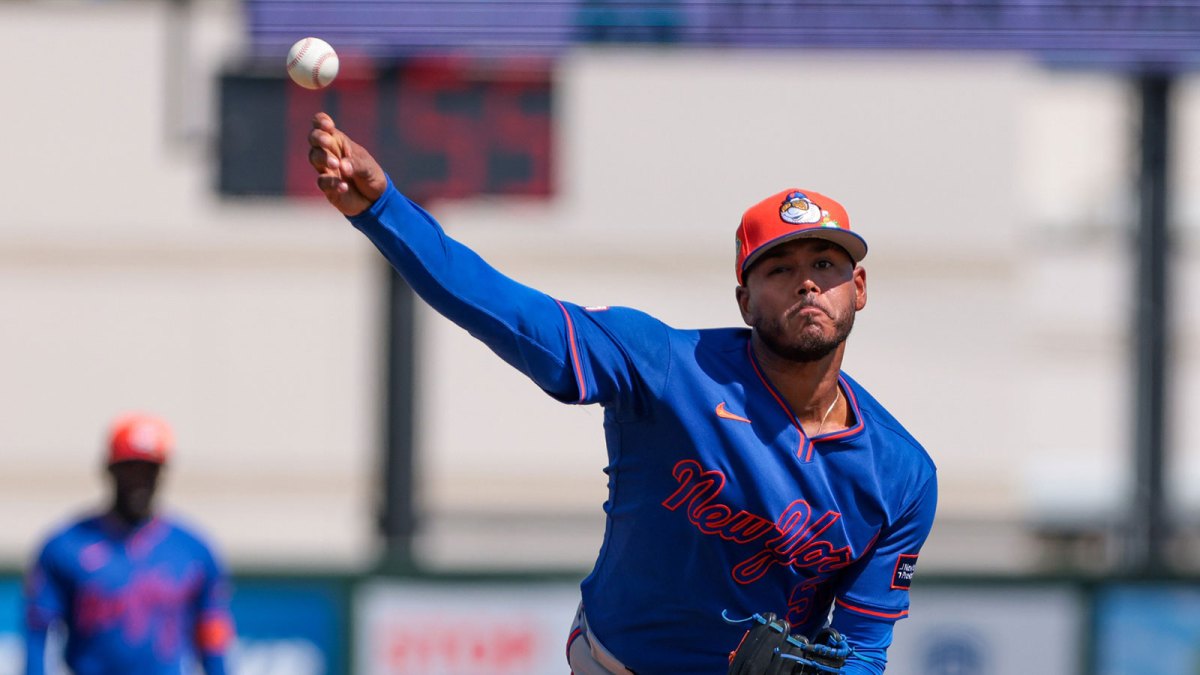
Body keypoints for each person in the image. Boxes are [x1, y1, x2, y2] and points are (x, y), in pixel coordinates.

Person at [306, 112, 937, 675]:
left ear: (858, 288)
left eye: (825, 264)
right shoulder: (668, 366)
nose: (806, 284)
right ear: (744, 300)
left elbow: (860, 652)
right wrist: (383, 210)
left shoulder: (901, 475)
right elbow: (509, 310)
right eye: (780, 268)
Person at [23, 413, 235, 675]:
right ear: (109, 470)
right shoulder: (67, 545)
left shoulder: (193, 550)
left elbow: (212, 633)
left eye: (149, 470)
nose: (139, 482)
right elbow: (37, 629)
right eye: (130, 469)